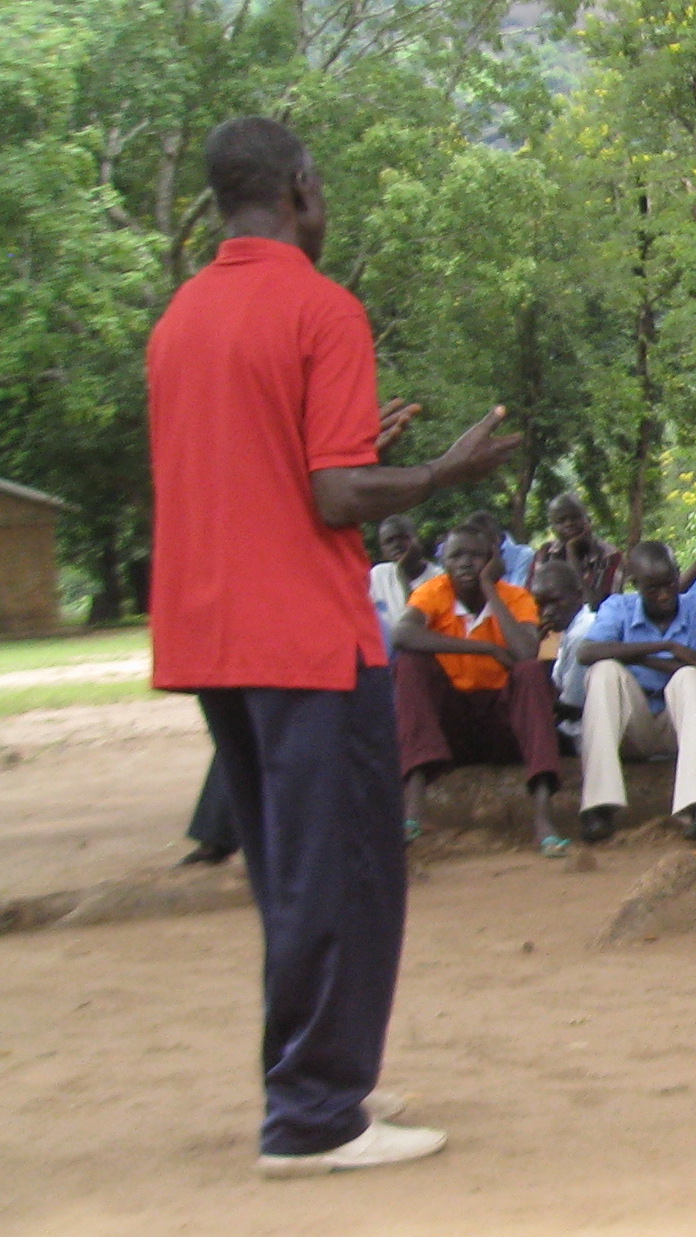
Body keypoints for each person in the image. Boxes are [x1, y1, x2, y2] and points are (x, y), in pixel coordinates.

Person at [149, 115, 517, 1175]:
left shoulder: (181, 317)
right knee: (346, 870)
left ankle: (325, 1074)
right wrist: (442, 475)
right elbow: (335, 494)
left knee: (286, 870)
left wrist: (370, 459)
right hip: (304, 636)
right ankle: (313, 1115)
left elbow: (267, 466)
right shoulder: (320, 307)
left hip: (209, 633)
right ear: (302, 188)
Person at [390, 524, 563, 854]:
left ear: (493, 560)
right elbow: (401, 635)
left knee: (530, 671)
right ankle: (412, 809)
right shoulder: (433, 592)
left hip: (502, 725)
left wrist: (489, 588)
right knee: (410, 663)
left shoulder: (515, 596)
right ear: (444, 562)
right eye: (456, 556)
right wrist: (484, 649)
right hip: (452, 725)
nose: (466, 563)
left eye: (476, 556)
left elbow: (527, 651)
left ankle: (543, 817)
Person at [576, 541, 696, 846]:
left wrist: (627, 654)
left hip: (681, 726)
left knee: (690, 677)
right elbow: (586, 652)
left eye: (670, 584)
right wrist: (667, 647)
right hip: (634, 726)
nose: (664, 595)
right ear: (635, 585)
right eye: (652, 589)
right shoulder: (618, 607)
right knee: (603, 671)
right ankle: (598, 805)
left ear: (678, 574)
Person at [530, 560, 595, 751]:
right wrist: (546, 645)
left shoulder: (582, 633)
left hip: (582, 730)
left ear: (578, 596)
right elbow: (550, 682)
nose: (548, 612)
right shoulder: (561, 631)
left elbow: (571, 705)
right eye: (541, 605)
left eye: (556, 601)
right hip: (571, 722)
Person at [531, 492, 621, 602]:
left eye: (575, 518)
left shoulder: (609, 555)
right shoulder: (545, 553)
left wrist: (572, 552)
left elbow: (594, 607)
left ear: (588, 519)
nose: (569, 524)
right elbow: (531, 600)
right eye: (561, 521)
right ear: (553, 528)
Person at [367, 515, 437, 641]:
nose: (396, 545)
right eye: (389, 541)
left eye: (403, 538)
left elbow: (412, 631)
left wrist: (402, 573)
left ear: (417, 539)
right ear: (382, 550)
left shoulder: (439, 578)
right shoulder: (378, 574)